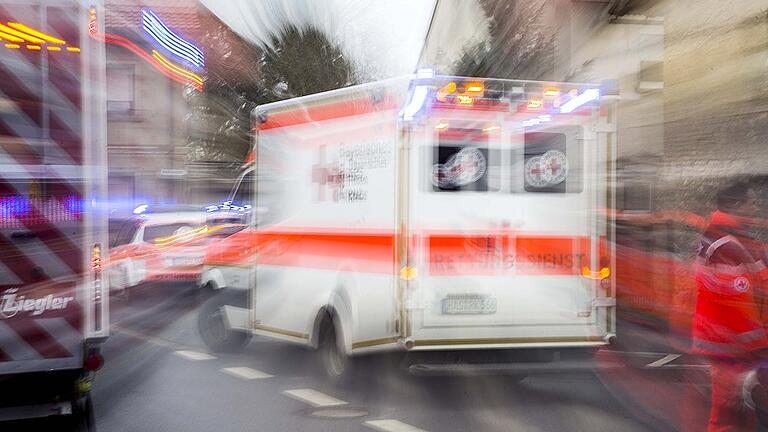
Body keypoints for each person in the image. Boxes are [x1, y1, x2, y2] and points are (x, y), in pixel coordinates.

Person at [692, 180, 768, 431]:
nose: (756, 209)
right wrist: (759, 344)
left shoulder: (725, 237)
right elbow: (738, 303)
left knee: (736, 413)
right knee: (728, 414)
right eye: (751, 203)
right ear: (736, 205)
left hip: (727, 342)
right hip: (732, 344)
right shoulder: (727, 245)